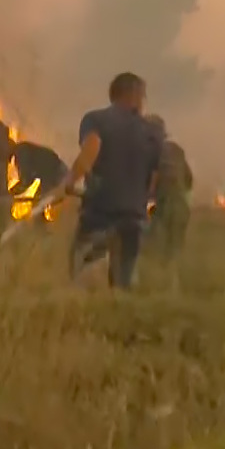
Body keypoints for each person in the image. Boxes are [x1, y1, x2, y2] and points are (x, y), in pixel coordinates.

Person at [51, 72, 162, 289]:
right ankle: (122, 315)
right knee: (124, 281)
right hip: (134, 218)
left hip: (100, 213)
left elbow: (90, 151)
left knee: (79, 266)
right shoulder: (152, 132)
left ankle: (83, 313)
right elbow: (153, 181)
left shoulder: (96, 120)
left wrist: (68, 184)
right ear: (135, 96)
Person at [144, 114, 193, 257]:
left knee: (152, 250)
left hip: (157, 208)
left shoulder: (146, 152)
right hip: (181, 206)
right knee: (175, 251)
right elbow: (189, 180)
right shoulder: (176, 150)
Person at [11, 140, 68, 224]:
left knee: (41, 202)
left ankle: (41, 229)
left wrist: (12, 192)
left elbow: (27, 180)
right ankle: (41, 227)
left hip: (57, 173)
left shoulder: (21, 152)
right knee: (39, 202)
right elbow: (29, 178)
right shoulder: (25, 149)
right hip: (56, 172)